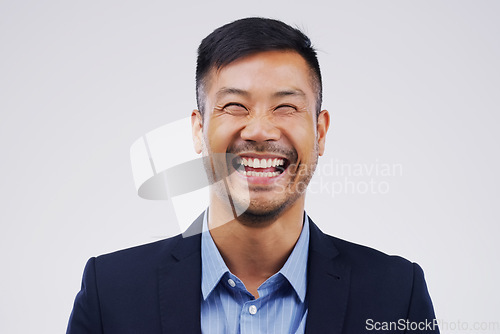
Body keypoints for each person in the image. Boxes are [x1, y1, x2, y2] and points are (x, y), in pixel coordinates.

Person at [67, 17, 439, 333]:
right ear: (198, 131)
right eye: (234, 106)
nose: (259, 131)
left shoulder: (396, 295)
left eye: (286, 107)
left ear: (321, 132)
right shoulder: (111, 293)